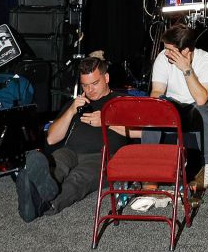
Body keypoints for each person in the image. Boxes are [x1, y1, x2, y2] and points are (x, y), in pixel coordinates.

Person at [16, 53, 127, 222]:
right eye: (85, 85)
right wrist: (70, 110)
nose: (90, 90)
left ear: (106, 77)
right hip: (70, 151)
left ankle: (45, 204)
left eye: (95, 83)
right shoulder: (77, 103)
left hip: (103, 156)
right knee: (55, 164)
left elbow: (141, 132)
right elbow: (52, 139)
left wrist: (107, 121)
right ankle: (37, 192)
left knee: (78, 179)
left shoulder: (122, 102)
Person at [138, 24, 208, 197]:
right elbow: (157, 92)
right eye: (165, 49)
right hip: (173, 103)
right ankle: (149, 173)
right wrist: (156, 107)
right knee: (154, 109)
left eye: (170, 50)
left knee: (202, 110)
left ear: (186, 51)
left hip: (198, 104)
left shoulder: (206, 60)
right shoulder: (162, 58)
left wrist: (186, 69)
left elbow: (202, 98)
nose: (165, 53)